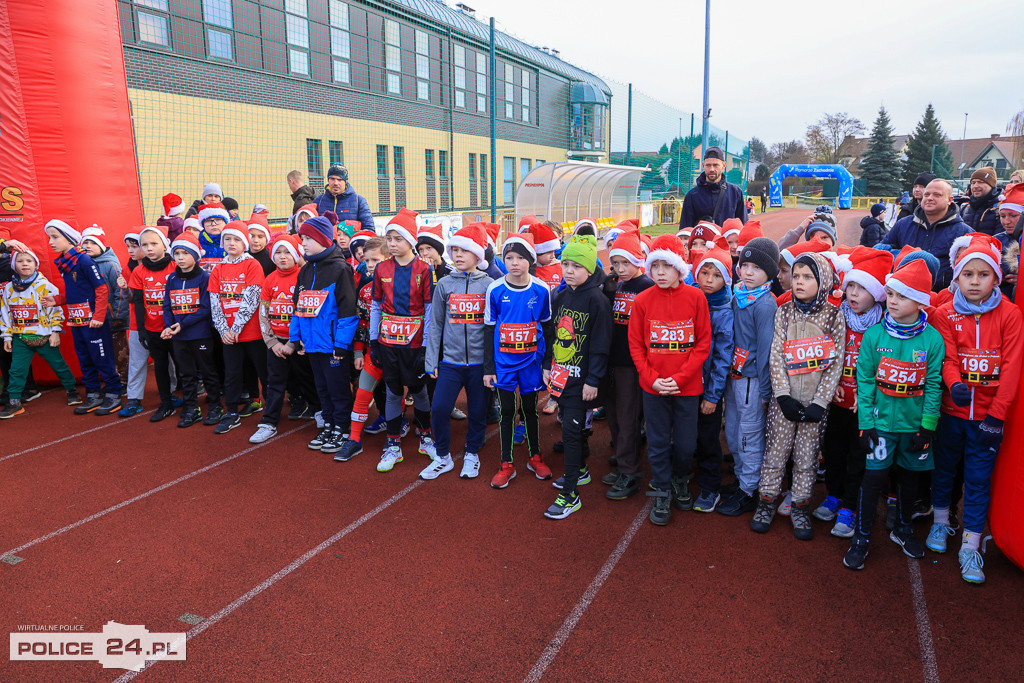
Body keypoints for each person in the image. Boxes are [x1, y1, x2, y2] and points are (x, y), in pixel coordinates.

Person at [928, 235, 1023, 583]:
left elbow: (1012, 366)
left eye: (983, 275)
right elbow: (948, 358)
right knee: (945, 470)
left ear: (996, 278)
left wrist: (997, 414)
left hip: (988, 418)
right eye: (968, 274)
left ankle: (971, 545)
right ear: (957, 278)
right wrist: (954, 384)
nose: (974, 281)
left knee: (979, 479)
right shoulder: (945, 313)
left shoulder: (1010, 315)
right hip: (952, 413)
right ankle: (941, 523)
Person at [843, 259, 945, 570]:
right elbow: (865, 380)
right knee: (873, 478)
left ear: (920, 301)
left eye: (902, 295)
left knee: (909, 479)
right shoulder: (874, 336)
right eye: (891, 294)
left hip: (913, 426)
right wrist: (865, 425)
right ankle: (860, 537)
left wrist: (927, 428)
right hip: (880, 425)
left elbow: (933, 385)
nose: (894, 301)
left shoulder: (932, 340)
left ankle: (902, 529)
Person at [750, 252, 844, 540]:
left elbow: (835, 362)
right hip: (785, 403)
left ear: (823, 281)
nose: (799, 282)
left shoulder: (833, 316)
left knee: (805, 459)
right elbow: (776, 354)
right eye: (796, 275)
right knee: (776, 454)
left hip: (815, 405)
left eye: (807, 277)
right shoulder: (784, 311)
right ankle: (766, 501)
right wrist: (782, 395)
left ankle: (800, 505)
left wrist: (820, 402)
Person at [628, 234, 711, 525]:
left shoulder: (696, 297)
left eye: (667, 265)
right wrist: (652, 379)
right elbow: (636, 346)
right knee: (659, 440)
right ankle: (663, 487)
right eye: (656, 265)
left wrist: (681, 377)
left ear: (680, 268)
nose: (660, 272)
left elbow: (702, 343)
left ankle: (680, 478)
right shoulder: (642, 300)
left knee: (687, 443)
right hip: (653, 387)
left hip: (686, 387)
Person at [817, 247, 890, 538]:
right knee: (834, 451)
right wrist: (831, 383)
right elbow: (827, 354)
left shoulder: (884, 325)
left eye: (863, 288)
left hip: (865, 408)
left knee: (859, 457)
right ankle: (834, 495)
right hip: (836, 400)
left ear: (878, 294)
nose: (854, 294)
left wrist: (866, 393)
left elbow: (883, 366)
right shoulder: (837, 317)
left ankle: (850, 505)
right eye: (851, 287)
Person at [545, 234, 613, 519]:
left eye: (576, 265)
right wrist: (549, 364)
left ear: (589, 269)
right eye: (566, 264)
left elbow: (601, 343)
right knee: (569, 428)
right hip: (562, 377)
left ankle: (570, 494)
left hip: (583, 379)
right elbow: (552, 336)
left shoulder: (597, 300)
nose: (569, 270)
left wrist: (593, 379)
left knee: (571, 433)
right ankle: (581, 471)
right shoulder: (561, 296)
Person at [419, 224, 495, 480]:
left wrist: (491, 366)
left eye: (464, 250)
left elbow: (493, 328)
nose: (458, 255)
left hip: (478, 365)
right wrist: (432, 360)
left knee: (477, 412)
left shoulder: (490, 285)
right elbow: (436, 324)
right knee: (439, 409)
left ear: (477, 255)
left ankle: (472, 453)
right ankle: (442, 457)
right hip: (450, 363)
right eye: (454, 250)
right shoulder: (444, 285)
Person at [484, 233, 553, 488]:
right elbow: (489, 329)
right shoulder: (495, 288)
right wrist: (489, 368)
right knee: (507, 411)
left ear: (530, 261)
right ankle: (506, 463)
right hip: (503, 364)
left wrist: (546, 364)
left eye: (520, 258)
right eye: (509, 257)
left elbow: (548, 328)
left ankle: (535, 457)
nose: (514, 263)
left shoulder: (541, 289)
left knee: (529, 411)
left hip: (530, 362)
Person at [370, 211, 436, 471]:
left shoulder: (425, 270)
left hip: (415, 344)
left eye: (399, 238)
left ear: (411, 241)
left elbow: (430, 310)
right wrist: (374, 341)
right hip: (388, 344)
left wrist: (426, 345)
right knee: (393, 391)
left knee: (419, 391)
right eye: (390, 238)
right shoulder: (382, 269)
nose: (393, 243)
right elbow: (376, 306)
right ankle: (393, 444)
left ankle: (425, 436)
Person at [719, 236, 779, 516]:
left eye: (757, 267)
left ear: (769, 273)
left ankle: (749, 489)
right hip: (733, 377)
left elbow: (766, 352)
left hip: (752, 381)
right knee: (732, 432)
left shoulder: (766, 304)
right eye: (745, 265)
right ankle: (742, 478)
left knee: (749, 435)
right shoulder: (737, 293)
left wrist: (766, 392)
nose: (748, 272)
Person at [43, 219, 123, 415]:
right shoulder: (66, 263)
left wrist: (98, 315)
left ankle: (113, 394)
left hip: (94, 322)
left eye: (55, 237)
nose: (51, 242)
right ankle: (93, 394)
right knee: (84, 358)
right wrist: (58, 299)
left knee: (101, 357)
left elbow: (101, 288)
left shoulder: (85, 260)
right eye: (49, 237)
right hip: (76, 320)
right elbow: (78, 291)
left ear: (69, 238)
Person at [251, 233, 322, 444]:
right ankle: (268, 422)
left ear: (296, 254)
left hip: (300, 343)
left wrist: (297, 341)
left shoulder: (305, 276)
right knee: (274, 384)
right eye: (278, 252)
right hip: (276, 343)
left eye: (287, 252)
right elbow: (263, 313)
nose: (283, 257)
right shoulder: (270, 279)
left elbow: (307, 312)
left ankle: (319, 410)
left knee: (308, 378)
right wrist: (272, 342)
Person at [602, 230, 654, 499]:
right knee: (613, 414)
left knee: (628, 416)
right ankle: (623, 461)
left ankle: (629, 471)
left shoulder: (646, 286)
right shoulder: (616, 285)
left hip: (633, 364)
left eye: (626, 262)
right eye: (616, 263)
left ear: (638, 260)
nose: (620, 269)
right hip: (613, 359)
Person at [0, 250, 79, 418]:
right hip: (20, 337)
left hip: (44, 336)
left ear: (36, 264)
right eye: (20, 261)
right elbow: (5, 313)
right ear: (14, 265)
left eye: (29, 260)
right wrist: (7, 336)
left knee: (59, 365)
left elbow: (56, 310)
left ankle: (72, 390)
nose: (25, 264)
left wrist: (55, 332)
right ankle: (14, 402)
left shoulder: (45, 286)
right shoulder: (8, 288)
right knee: (16, 370)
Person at [333, 236, 389, 462]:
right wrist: (358, 351)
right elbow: (362, 323)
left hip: (400, 352)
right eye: (367, 260)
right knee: (363, 393)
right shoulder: (365, 289)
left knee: (403, 394)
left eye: (375, 259)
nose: (370, 264)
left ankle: (401, 434)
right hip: (372, 353)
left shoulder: (402, 285)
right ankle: (354, 440)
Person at [209, 221, 267, 434]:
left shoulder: (252, 265)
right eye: (227, 239)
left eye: (236, 239)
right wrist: (224, 330)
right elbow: (215, 302)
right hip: (229, 336)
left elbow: (251, 299)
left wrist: (236, 327)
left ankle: (270, 412)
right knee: (232, 374)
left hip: (251, 333)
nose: (231, 243)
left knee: (263, 372)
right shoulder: (219, 268)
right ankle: (231, 412)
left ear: (245, 242)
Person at [161, 231, 223, 428]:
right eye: (177, 253)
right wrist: (169, 326)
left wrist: (183, 324)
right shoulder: (171, 279)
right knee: (186, 374)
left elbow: (206, 308)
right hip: (179, 337)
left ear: (196, 255)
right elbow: (167, 305)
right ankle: (191, 408)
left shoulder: (204, 278)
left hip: (200, 335)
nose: (180, 258)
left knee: (208, 371)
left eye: (185, 253)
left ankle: (215, 406)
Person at [691, 237, 735, 512]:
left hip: (707, 387)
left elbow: (722, 358)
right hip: (684, 384)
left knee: (708, 438)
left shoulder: (724, 312)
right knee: (685, 434)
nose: (709, 280)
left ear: (727, 279)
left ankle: (710, 486)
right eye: (705, 273)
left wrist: (713, 395)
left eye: (717, 275)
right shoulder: (689, 299)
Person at [880, 179, 969, 290]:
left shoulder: (964, 233)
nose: (930, 198)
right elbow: (882, 253)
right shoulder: (903, 224)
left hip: (941, 298)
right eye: (927, 194)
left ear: (950, 200)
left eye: (937, 195)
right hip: (902, 296)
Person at [128, 225, 179, 421]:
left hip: (175, 329)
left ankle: (193, 404)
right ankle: (166, 404)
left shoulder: (175, 266)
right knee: (160, 366)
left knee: (184, 366)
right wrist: (142, 329)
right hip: (153, 328)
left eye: (154, 244)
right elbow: (139, 302)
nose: (149, 248)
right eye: (145, 244)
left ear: (165, 245)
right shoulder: (139, 271)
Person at [79, 226, 131, 390]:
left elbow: (119, 292)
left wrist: (118, 315)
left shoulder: (110, 264)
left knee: (120, 351)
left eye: (92, 242)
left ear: (101, 245)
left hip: (113, 317)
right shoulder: (83, 264)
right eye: (85, 242)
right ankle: (112, 378)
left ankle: (125, 380)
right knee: (104, 351)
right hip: (95, 318)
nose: (88, 246)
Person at [679, 146, 748, 229]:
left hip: (726, 242)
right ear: (703, 165)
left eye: (715, 165)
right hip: (703, 242)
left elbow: (743, 226)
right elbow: (685, 231)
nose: (711, 169)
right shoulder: (692, 196)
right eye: (708, 165)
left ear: (723, 165)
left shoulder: (735, 192)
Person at [313, 165, 374, 231]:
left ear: (345, 182)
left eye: (339, 179)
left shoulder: (358, 201)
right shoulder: (318, 201)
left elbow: (369, 229)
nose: (335, 183)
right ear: (328, 180)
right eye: (332, 179)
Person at [994, 184, 1023, 300]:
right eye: (1002, 216)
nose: (1006, 221)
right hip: (1001, 301)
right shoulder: (996, 241)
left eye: (1013, 215)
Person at [959, 167, 1002, 236]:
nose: (975, 186)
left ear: (991, 185)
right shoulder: (965, 208)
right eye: (973, 183)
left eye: (980, 182)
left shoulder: (1000, 209)